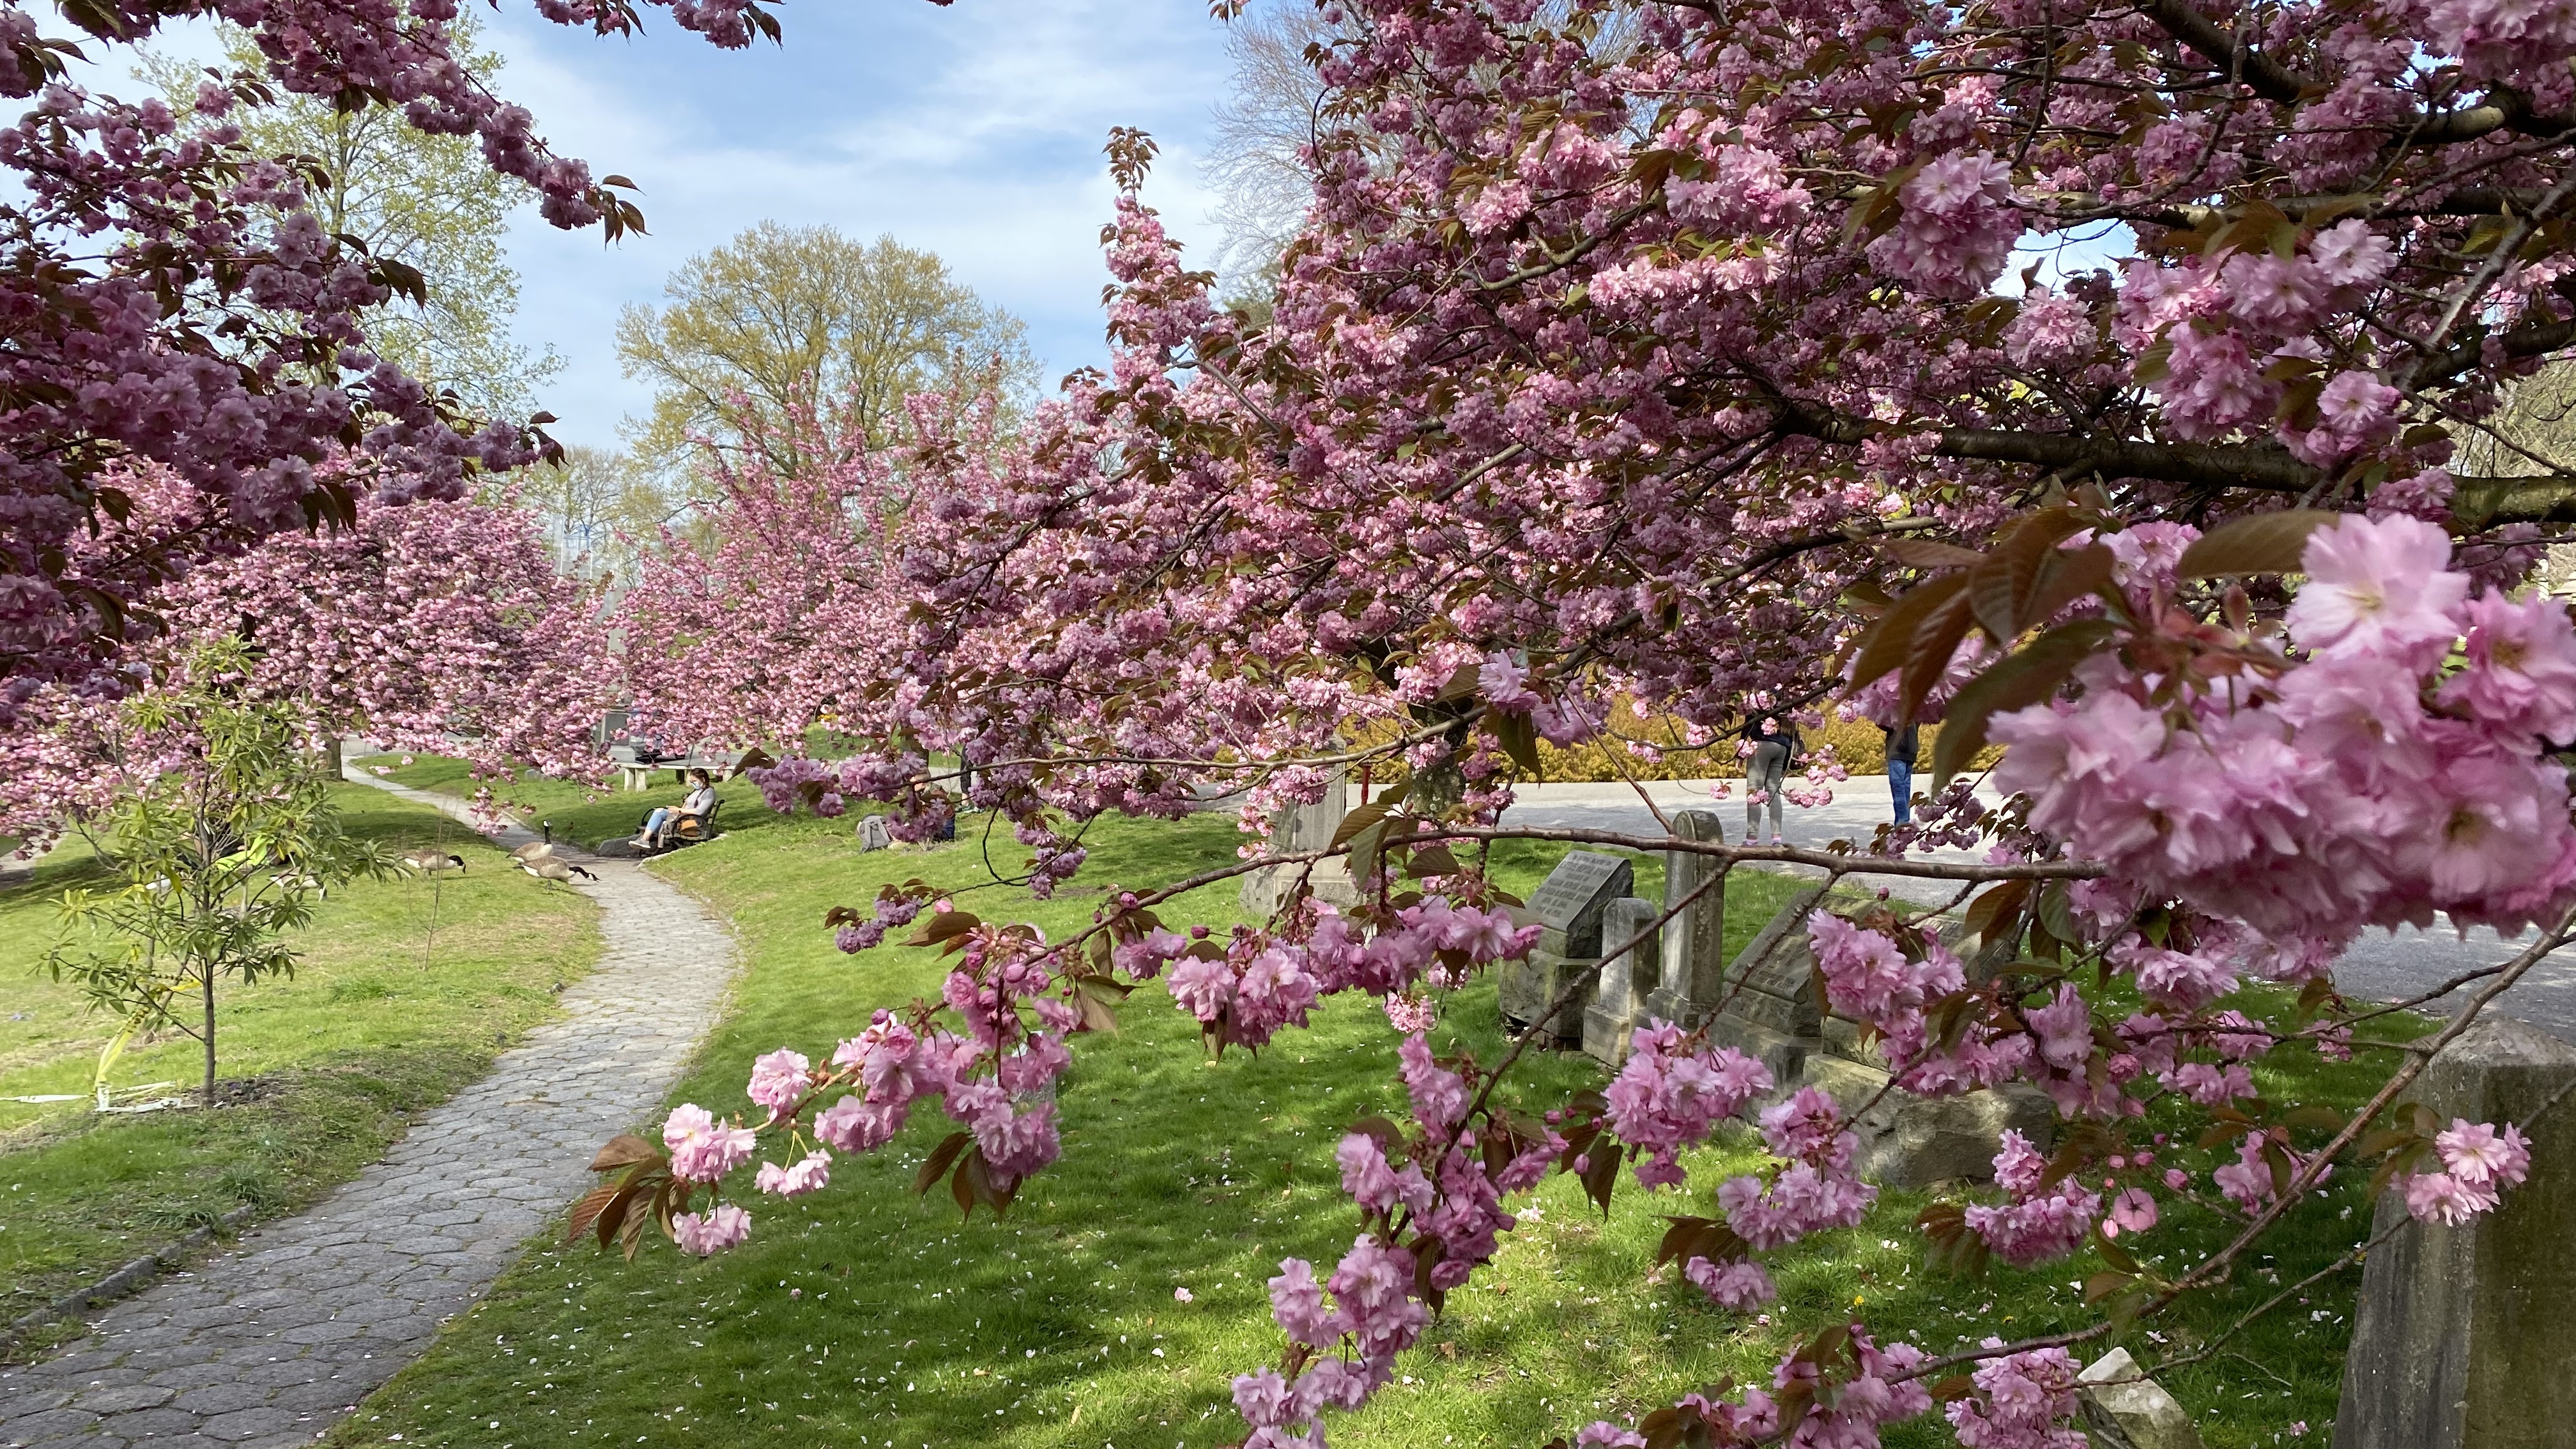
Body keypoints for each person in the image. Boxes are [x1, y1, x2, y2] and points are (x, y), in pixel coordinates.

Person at [1739, 710, 1798, 846]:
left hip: (1762, 745)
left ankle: (1752, 839)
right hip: (1782, 747)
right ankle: (1777, 839)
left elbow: (1750, 722)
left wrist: (1740, 753)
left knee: (1754, 791)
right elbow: (1791, 728)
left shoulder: (1760, 696)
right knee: (1774, 792)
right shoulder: (1788, 695)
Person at [636, 769, 718, 849]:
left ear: (703, 779)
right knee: (659, 811)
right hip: (683, 816)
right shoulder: (698, 791)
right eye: (691, 782)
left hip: (692, 820)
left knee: (659, 812)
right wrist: (677, 809)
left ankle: (645, 840)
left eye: (694, 781)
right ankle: (645, 839)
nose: (693, 783)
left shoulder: (709, 793)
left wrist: (678, 811)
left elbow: (699, 812)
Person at [1885, 718, 1921, 825]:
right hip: (1911, 749)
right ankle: (1904, 821)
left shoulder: (1896, 705)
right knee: (1905, 788)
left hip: (1898, 749)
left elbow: (1884, 723)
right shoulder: (1916, 705)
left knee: (1899, 789)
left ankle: (1902, 823)